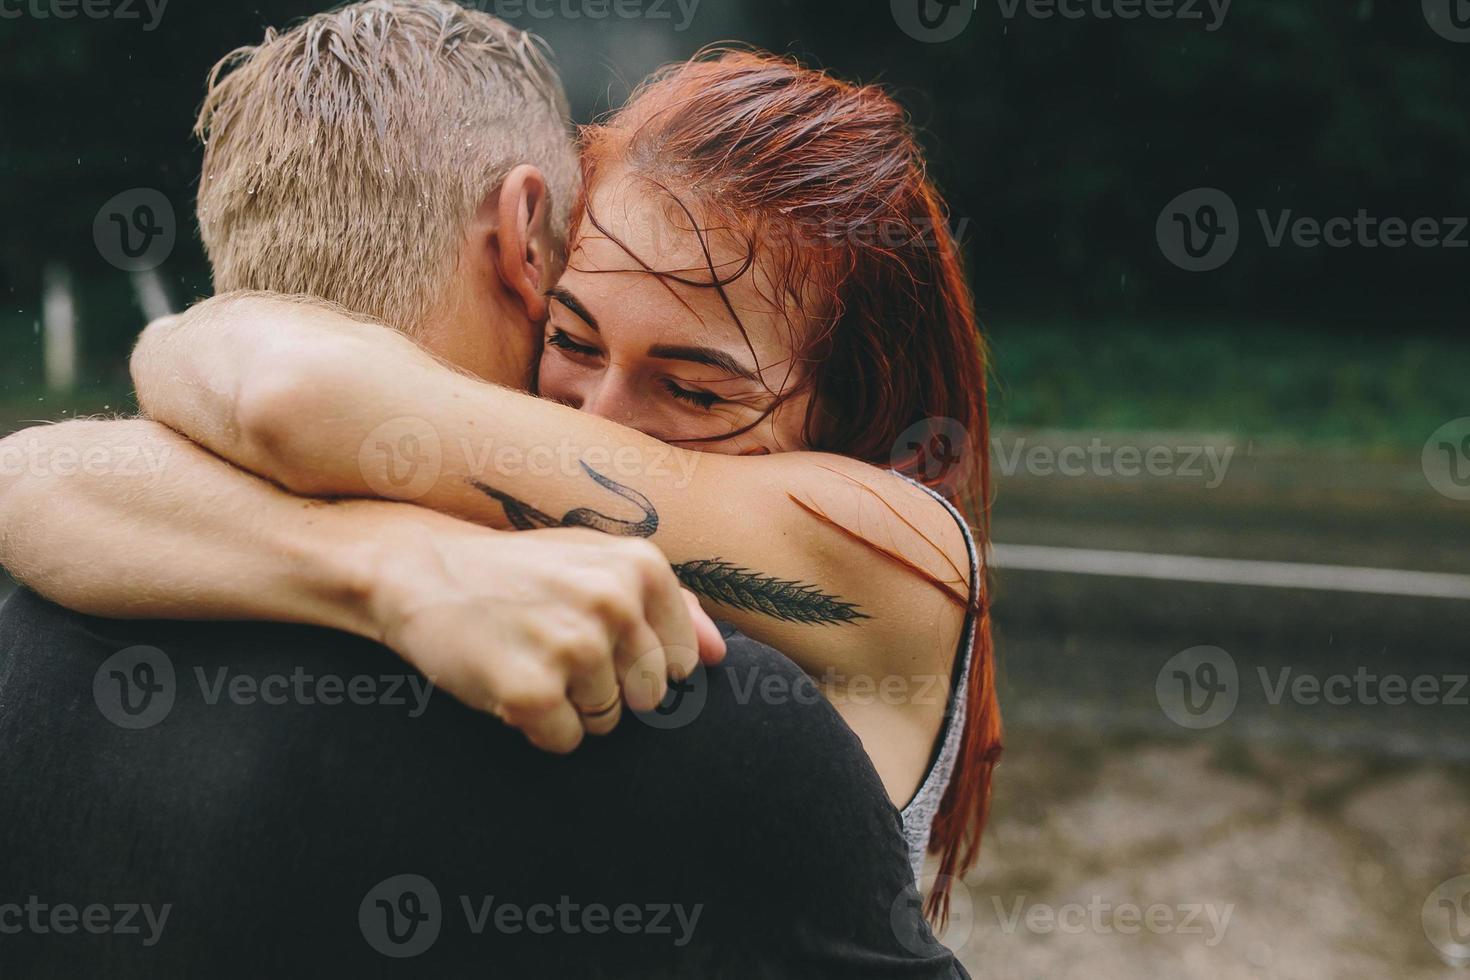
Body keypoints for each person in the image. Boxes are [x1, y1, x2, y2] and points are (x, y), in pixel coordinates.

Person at [0, 3, 969, 977]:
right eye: (573, 337)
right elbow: (29, 475)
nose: (590, 425)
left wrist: (184, 336)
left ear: (849, 411)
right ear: (528, 248)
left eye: (694, 387)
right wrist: (388, 565)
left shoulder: (897, 547)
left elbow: (291, 397)